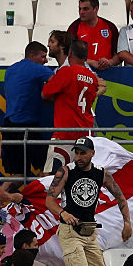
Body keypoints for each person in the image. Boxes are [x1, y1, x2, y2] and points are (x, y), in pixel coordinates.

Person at [46, 137, 131, 266]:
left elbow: (121, 198)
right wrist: (63, 213)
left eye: (83, 153)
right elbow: (49, 200)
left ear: (92, 153)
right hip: (69, 231)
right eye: (76, 153)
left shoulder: (101, 173)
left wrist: (127, 222)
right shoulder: (66, 171)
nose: (78, 157)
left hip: (89, 231)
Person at [41, 40, 106, 172]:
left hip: (65, 134)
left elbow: (45, 94)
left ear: (70, 54)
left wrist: (52, 81)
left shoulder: (66, 72)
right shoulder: (92, 77)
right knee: (78, 177)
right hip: (85, 135)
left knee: (50, 177)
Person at [67, 0, 121, 71]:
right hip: (83, 72)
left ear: (96, 9)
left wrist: (109, 62)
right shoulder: (74, 28)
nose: (81, 12)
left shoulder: (110, 27)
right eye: (80, 9)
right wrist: (91, 62)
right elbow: (69, 56)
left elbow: (119, 55)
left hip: (109, 71)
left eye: (85, 9)